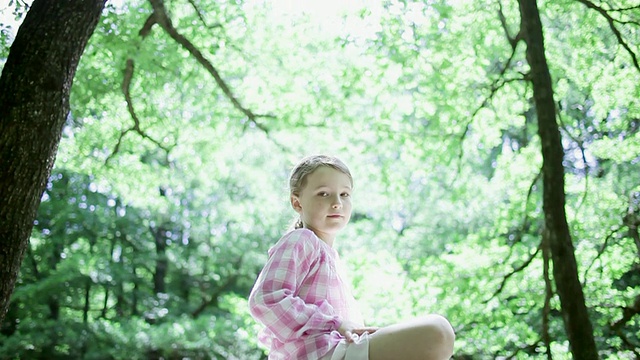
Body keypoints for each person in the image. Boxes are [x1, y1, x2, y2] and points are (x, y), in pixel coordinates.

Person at [248, 155, 455, 360]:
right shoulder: (301, 240)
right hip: (316, 353)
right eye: (323, 194)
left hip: (337, 349)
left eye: (345, 194)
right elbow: (265, 299)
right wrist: (334, 323)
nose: (337, 202)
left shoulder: (332, 258)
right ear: (297, 202)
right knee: (438, 331)